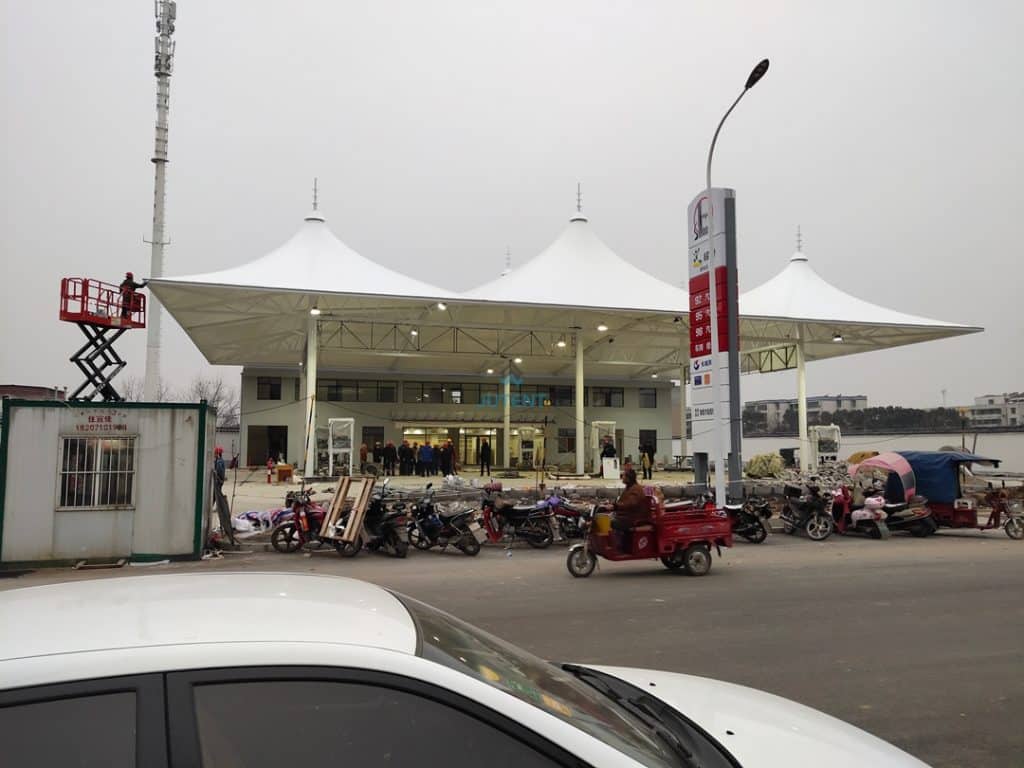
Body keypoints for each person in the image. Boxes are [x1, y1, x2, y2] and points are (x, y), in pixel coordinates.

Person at [610, 468, 650, 550]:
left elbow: (631, 503)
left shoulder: (636, 489)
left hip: (634, 518)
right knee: (607, 518)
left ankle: (618, 544)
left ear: (629, 478)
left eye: (624, 475)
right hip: (627, 515)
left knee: (612, 523)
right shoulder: (629, 488)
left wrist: (616, 506)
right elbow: (622, 502)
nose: (622, 477)